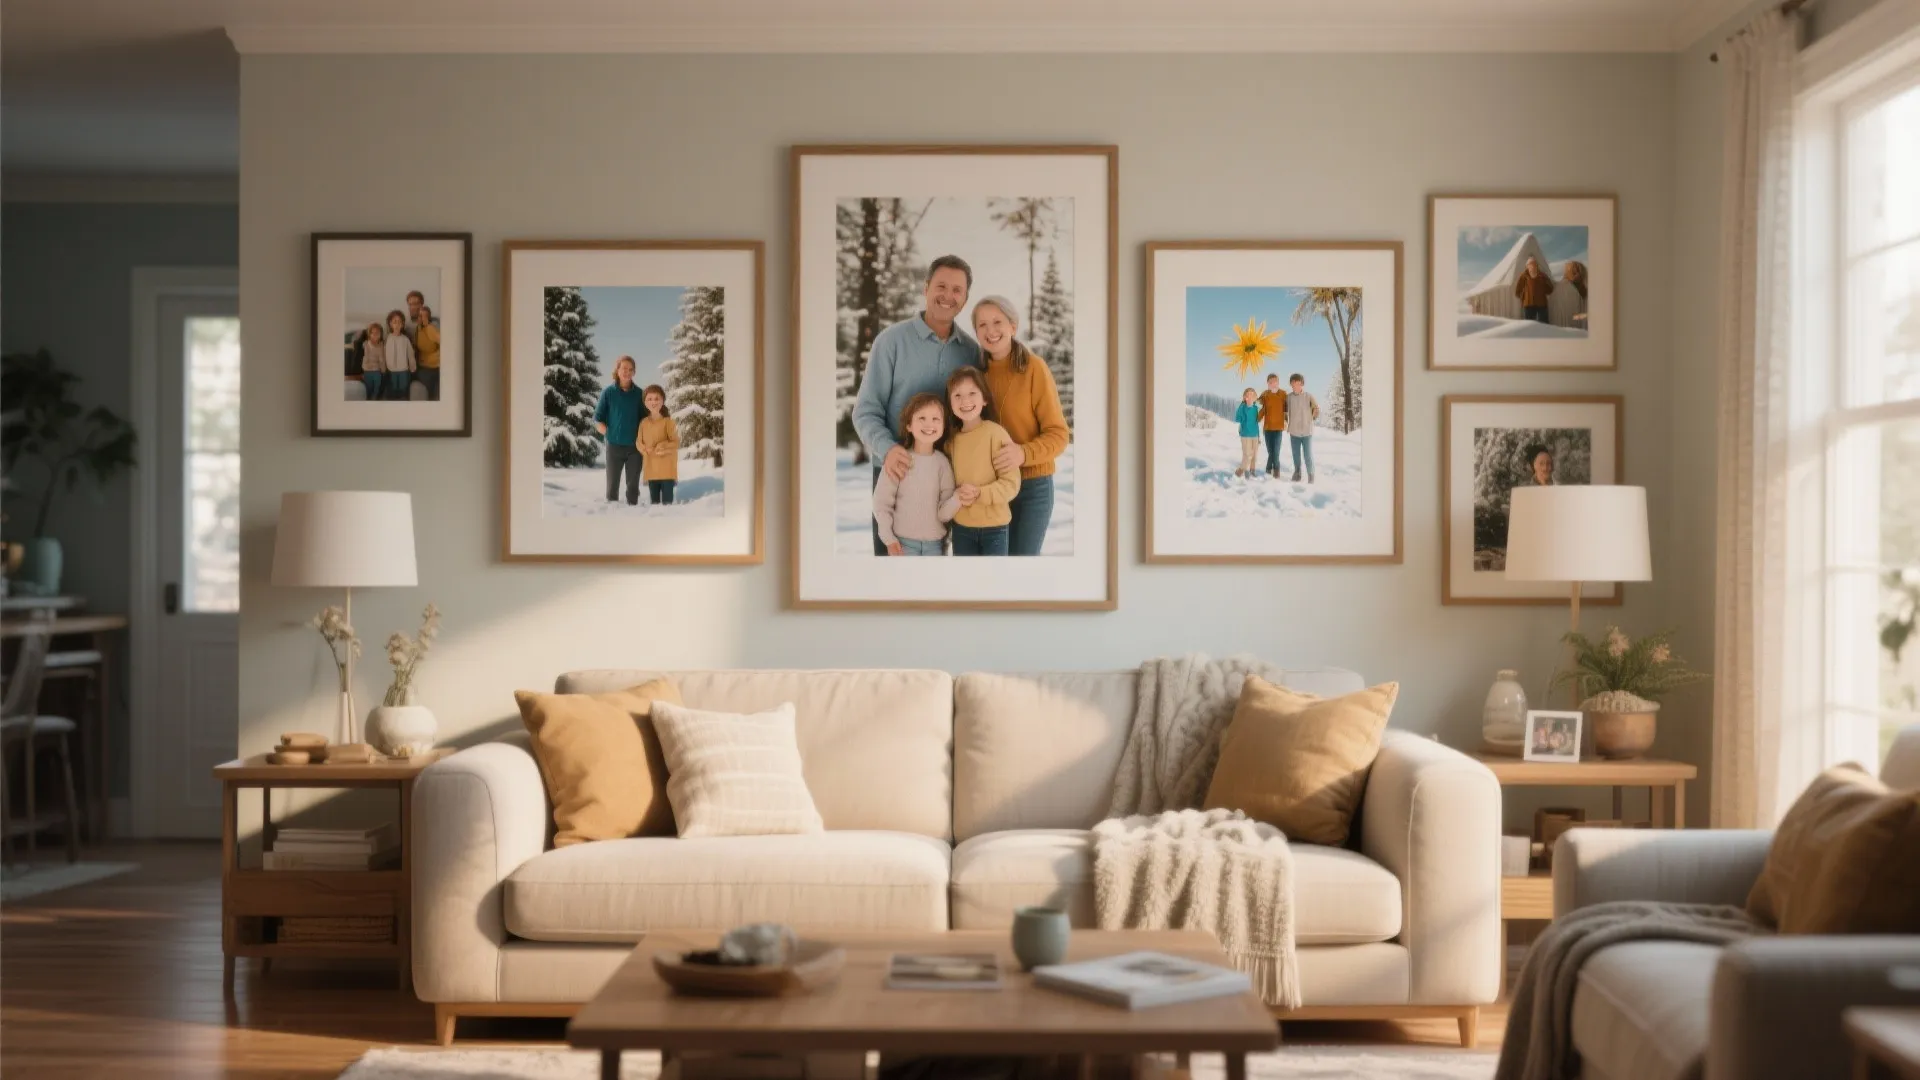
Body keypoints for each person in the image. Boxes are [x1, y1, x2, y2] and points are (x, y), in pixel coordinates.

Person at [851, 255, 982, 555]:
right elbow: (865, 411)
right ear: (925, 288)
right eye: (941, 286)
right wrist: (888, 449)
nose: (947, 296)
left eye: (957, 290)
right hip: (895, 472)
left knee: (934, 578)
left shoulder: (971, 352)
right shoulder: (891, 341)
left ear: (965, 299)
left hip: (944, 477)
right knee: (892, 573)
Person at [973, 296, 1068, 557]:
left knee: (1021, 570)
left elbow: (1059, 435)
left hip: (1032, 488)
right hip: (992, 488)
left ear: (1013, 326)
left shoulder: (1034, 368)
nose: (990, 331)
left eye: (997, 322)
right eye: (982, 324)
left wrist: (1023, 453)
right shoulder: (975, 375)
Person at [942, 367, 1020, 557]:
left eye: (972, 393)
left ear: (984, 399)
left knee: (994, 584)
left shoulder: (996, 434)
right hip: (962, 529)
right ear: (950, 403)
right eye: (957, 395)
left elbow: (1011, 484)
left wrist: (980, 494)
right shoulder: (950, 443)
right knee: (965, 584)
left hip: (995, 528)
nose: (965, 401)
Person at [872, 393, 958, 556]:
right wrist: (888, 538)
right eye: (922, 418)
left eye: (935, 419)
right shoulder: (899, 460)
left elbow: (946, 509)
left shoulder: (943, 464)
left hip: (935, 546)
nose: (929, 424)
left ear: (943, 426)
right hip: (902, 545)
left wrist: (958, 498)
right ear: (909, 425)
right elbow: (882, 503)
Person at [593, 356, 646, 505]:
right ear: (617, 370)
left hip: (634, 449)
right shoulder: (608, 393)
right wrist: (608, 433)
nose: (627, 372)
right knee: (611, 490)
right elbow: (597, 419)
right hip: (614, 447)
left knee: (633, 490)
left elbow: (646, 420)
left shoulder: (640, 394)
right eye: (624, 368)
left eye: (630, 369)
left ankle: (634, 519)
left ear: (634, 372)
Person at [638, 383, 680, 506]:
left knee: (667, 504)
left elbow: (675, 442)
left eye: (657, 398)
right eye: (649, 399)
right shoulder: (643, 422)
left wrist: (662, 445)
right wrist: (644, 449)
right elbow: (638, 442)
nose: (653, 402)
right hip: (651, 470)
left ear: (663, 401)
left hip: (667, 470)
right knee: (654, 504)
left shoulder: (668, 422)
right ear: (645, 402)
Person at [1284, 373, 1321, 484]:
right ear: (1291, 384)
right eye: (1294, 383)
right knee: (1296, 455)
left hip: (1306, 431)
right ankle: (1297, 473)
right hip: (1294, 431)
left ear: (1302, 383)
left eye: (1298, 383)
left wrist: (1315, 413)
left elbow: (1316, 408)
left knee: (1307, 455)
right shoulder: (1288, 397)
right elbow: (1285, 412)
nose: (1296, 385)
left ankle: (1311, 475)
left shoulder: (1308, 396)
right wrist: (1285, 422)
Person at [1256, 373, 1288, 477]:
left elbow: (1287, 409)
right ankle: (1269, 470)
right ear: (1267, 384)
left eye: (1274, 381)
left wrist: (1286, 421)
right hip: (1268, 428)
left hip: (1278, 428)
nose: (1273, 384)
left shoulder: (1283, 394)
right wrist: (1255, 419)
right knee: (1271, 452)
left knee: (1276, 452)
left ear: (1278, 382)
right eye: (1270, 382)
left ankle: (1275, 471)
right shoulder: (1265, 394)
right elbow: (1261, 408)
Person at [382, 310, 416, 401]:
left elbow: (410, 354)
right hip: (391, 370)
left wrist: (412, 367)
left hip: (403, 370)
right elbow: (383, 354)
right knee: (392, 390)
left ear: (403, 324)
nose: (397, 325)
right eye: (394, 322)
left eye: (399, 322)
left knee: (403, 389)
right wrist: (383, 367)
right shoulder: (387, 338)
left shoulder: (405, 339)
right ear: (390, 324)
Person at [412, 304, 442, 401]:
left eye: (425, 316)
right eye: (420, 316)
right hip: (422, 366)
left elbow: (442, 340)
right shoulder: (418, 328)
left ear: (428, 317)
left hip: (433, 367)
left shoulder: (430, 328)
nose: (422, 318)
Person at [1514, 255, 1554, 324]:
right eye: (1530, 264)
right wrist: (1524, 297)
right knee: (1529, 324)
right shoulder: (1524, 276)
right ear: (1527, 266)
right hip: (1528, 304)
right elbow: (1518, 291)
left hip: (1541, 304)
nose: (1533, 266)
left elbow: (1550, 289)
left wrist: (1544, 288)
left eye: (1534, 264)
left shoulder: (1542, 276)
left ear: (1537, 266)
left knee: (1544, 324)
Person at [1232, 388, 1261, 478]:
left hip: (1255, 435)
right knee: (1247, 454)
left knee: (1254, 455)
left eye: (1252, 395)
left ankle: (1252, 470)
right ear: (1245, 397)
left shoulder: (1256, 408)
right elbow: (1237, 418)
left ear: (1255, 397)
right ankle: (1240, 470)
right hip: (1245, 435)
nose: (1250, 396)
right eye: (1248, 395)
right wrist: (1242, 406)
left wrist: (1258, 436)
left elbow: (1256, 423)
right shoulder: (1243, 408)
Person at [359, 322, 386, 401]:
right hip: (367, 370)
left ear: (380, 335)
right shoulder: (366, 344)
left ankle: (375, 398)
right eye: (372, 333)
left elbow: (382, 359)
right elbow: (364, 358)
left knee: (377, 386)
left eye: (377, 333)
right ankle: (369, 399)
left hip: (377, 370)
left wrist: (383, 370)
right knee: (368, 388)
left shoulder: (381, 346)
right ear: (369, 334)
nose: (375, 335)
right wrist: (362, 370)